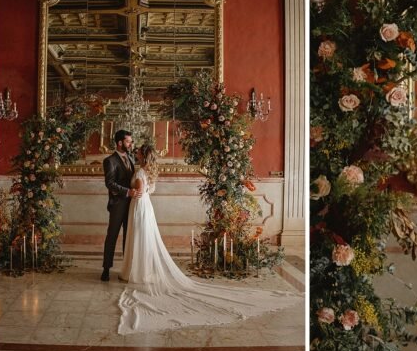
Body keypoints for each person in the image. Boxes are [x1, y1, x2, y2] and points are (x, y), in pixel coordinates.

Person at [117, 144, 300, 335]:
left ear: (144, 156)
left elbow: (138, 192)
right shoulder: (149, 172)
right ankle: (141, 270)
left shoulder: (140, 173)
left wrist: (132, 192)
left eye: (138, 152)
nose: (135, 153)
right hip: (146, 207)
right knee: (144, 240)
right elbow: (147, 190)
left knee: (140, 238)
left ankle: (138, 272)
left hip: (139, 207)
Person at [101, 130, 139, 282]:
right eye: (129, 141)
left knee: (128, 237)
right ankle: (106, 269)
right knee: (112, 236)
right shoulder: (109, 161)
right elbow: (109, 183)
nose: (131, 144)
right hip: (118, 204)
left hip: (131, 204)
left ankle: (126, 269)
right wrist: (127, 192)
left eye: (131, 141)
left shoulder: (130, 157)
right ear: (120, 143)